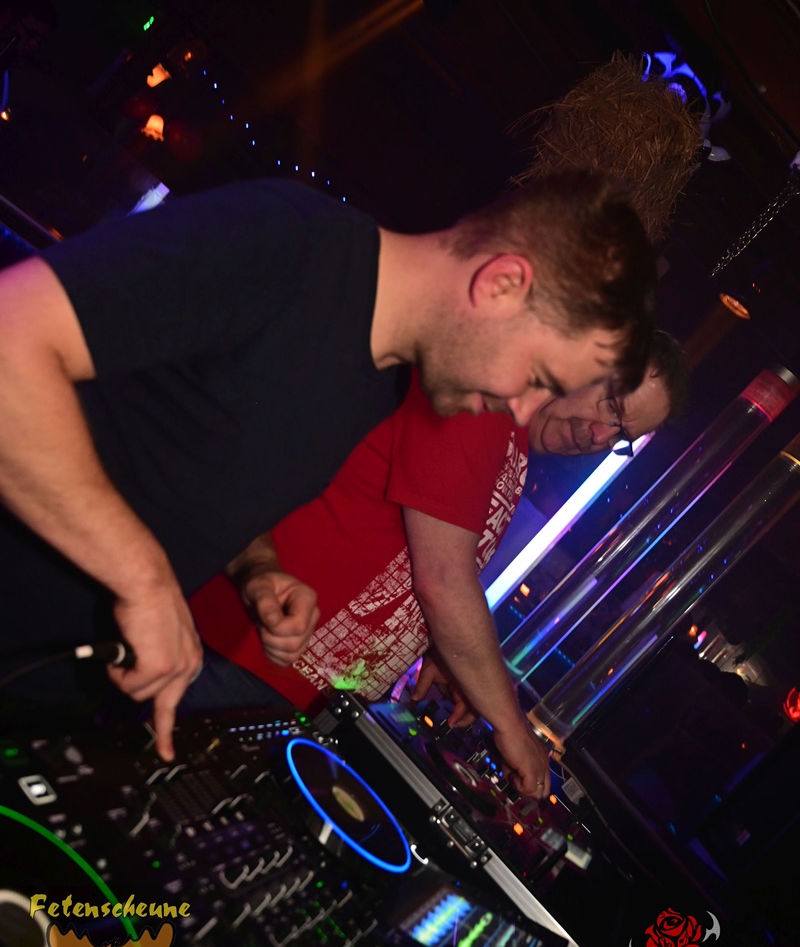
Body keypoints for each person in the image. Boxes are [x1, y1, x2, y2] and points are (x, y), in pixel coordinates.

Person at [0, 170, 656, 760]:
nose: (523, 409)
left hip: (49, 684)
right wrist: (143, 579)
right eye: (537, 376)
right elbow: (10, 342)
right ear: (501, 285)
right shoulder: (290, 242)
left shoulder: (380, 383)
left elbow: (188, 456)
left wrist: (256, 568)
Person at [190, 332, 686, 797]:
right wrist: (510, 725)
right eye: (612, 406)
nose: (598, 435)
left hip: (296, 689)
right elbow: (444, 582)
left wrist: (443, 649)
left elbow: (408, 560)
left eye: (620, 435)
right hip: (240, 653)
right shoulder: (484, 401)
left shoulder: (511, 446)